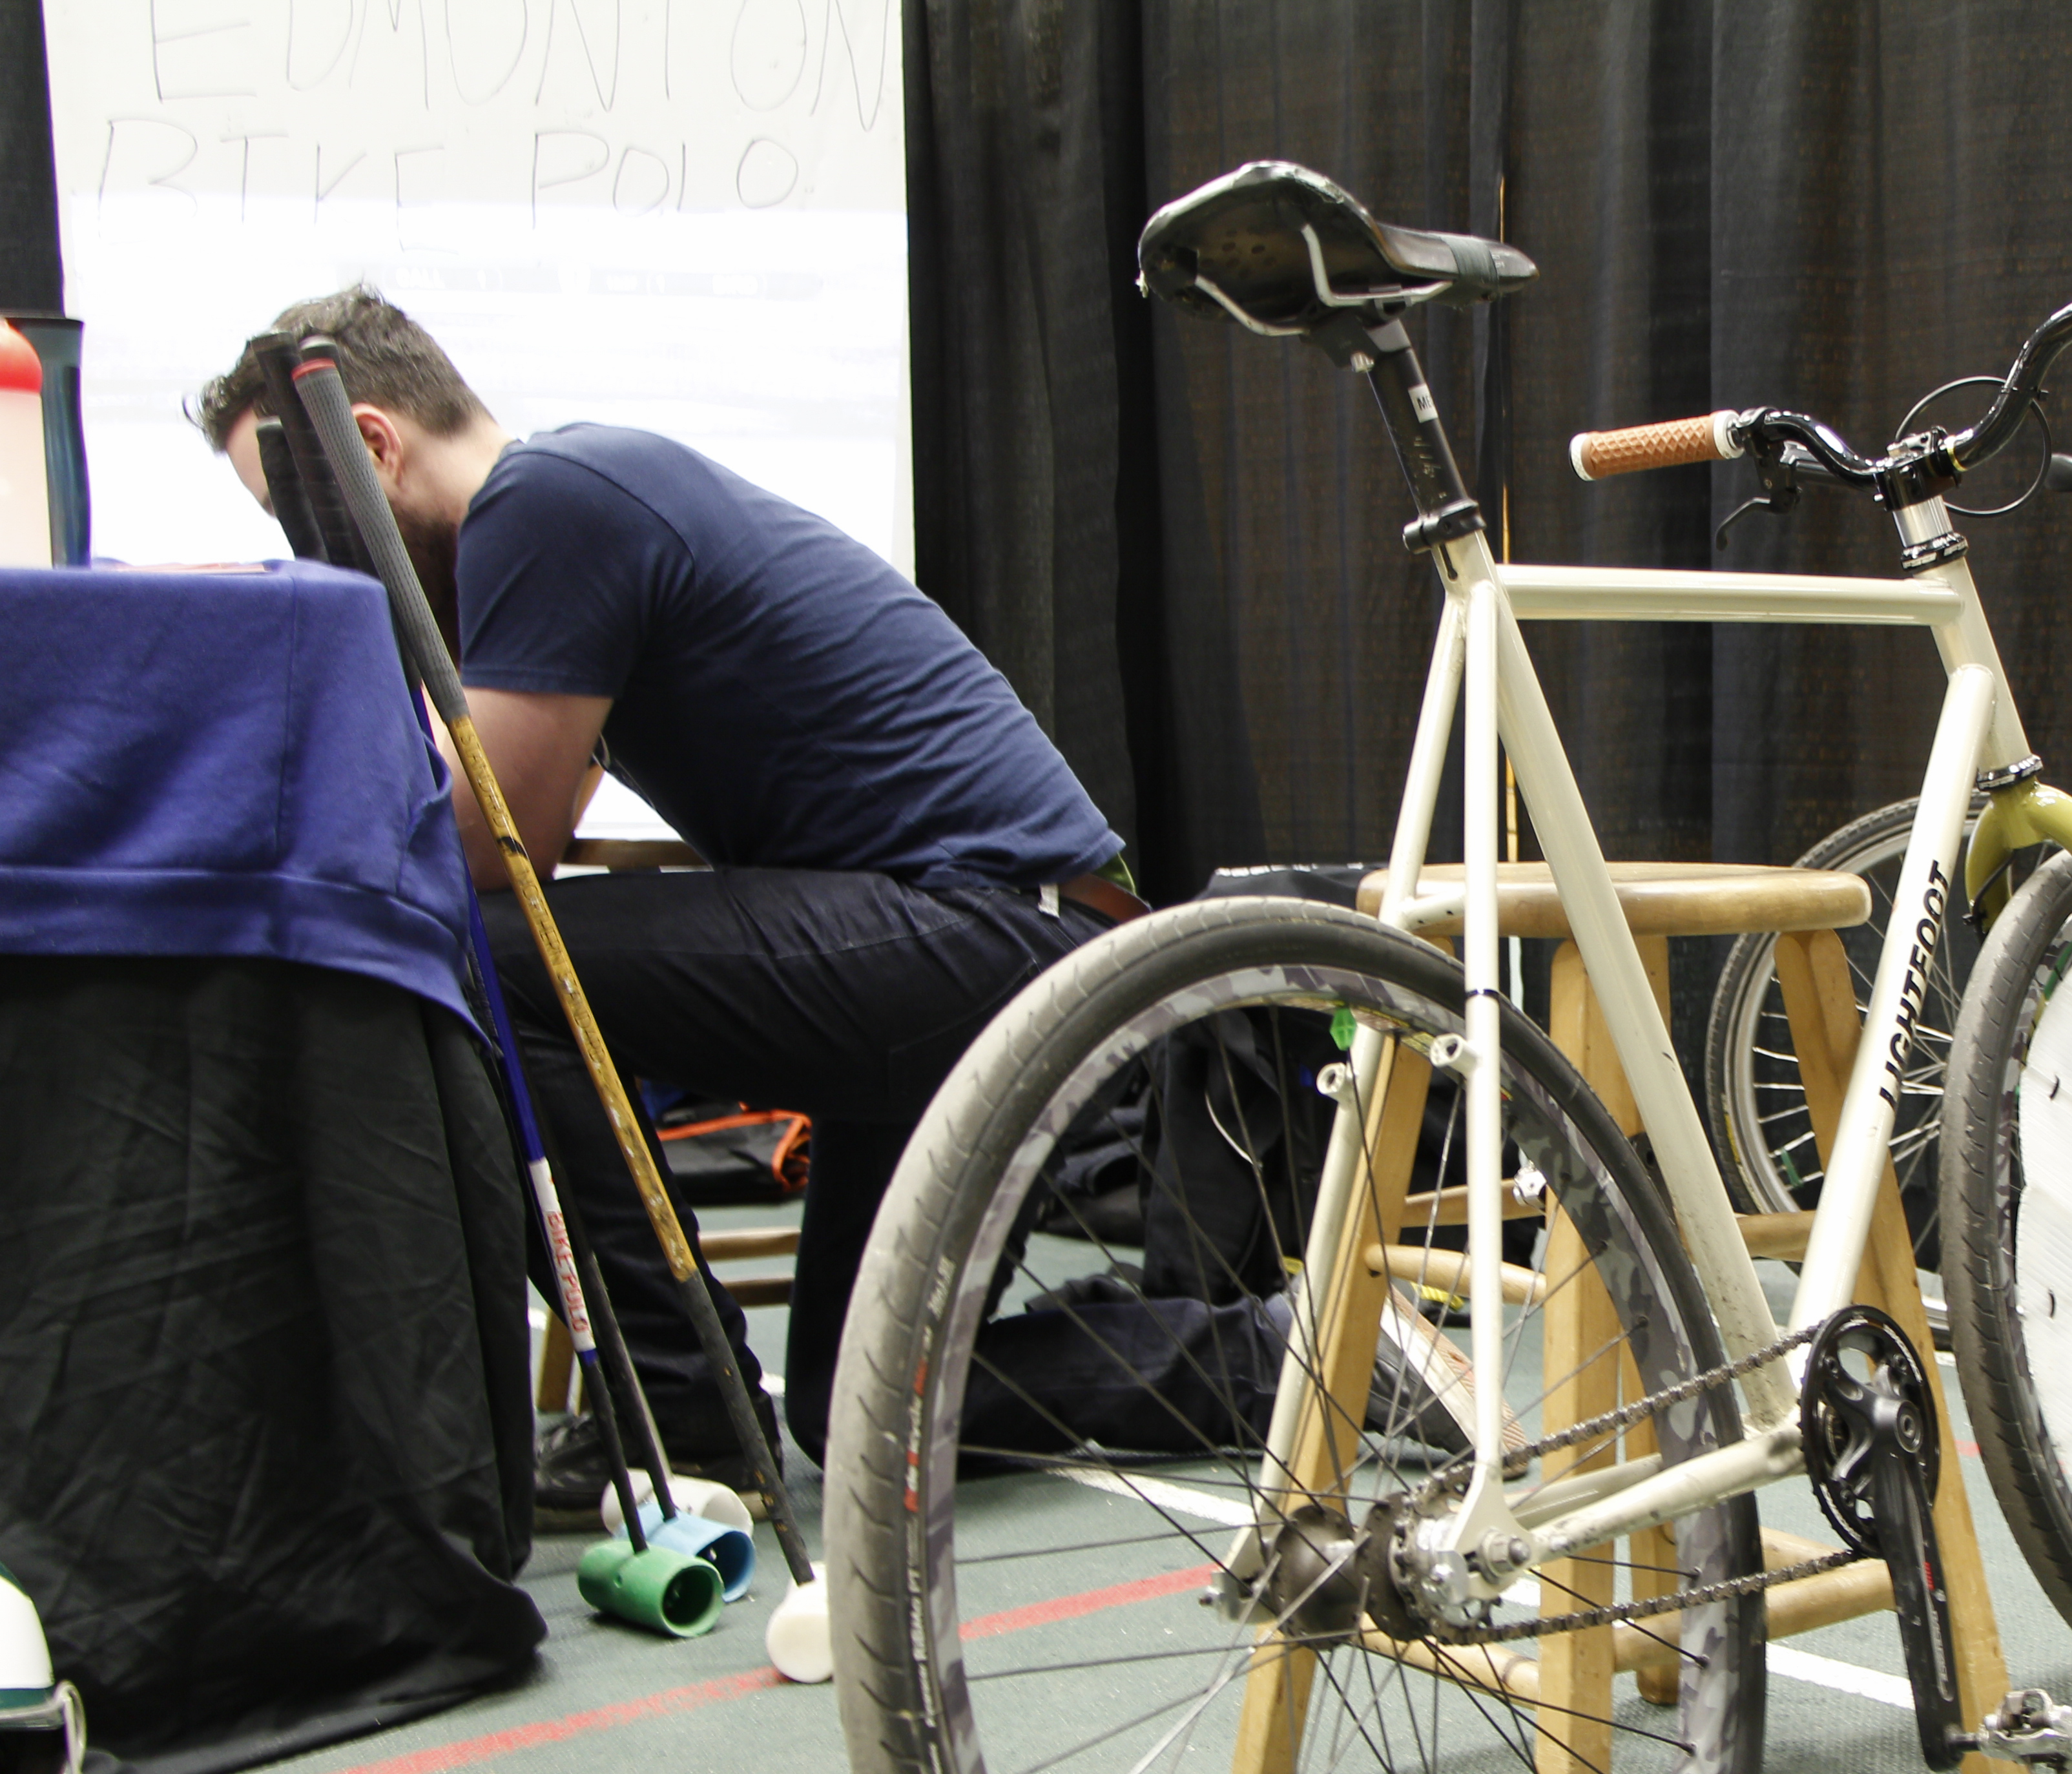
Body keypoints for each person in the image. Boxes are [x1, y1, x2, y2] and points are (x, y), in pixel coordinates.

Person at [196, 285, 1282, 1514]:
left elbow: (501, 853)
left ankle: (683, 1412)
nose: (308, 554)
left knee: (483, 958)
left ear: (375, 443)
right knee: (858, 1399)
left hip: (1003, 942)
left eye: (295, 511)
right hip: (1004, 949)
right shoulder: (561, 524)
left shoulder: (548, 504)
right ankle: (1284, 1358)